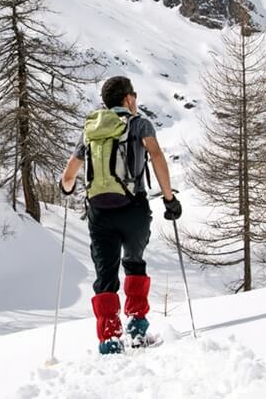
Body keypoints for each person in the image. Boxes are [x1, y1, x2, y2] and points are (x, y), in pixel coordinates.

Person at [59, 75, 181, 354]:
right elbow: (156, 155)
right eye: (134, 95)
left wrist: (66, 188)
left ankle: (109, 340)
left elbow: (68, 177)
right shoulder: (139, 124)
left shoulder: (90, 130)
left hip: (99, 212)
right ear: (128, 98)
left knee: (105, 276)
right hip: (134, 208)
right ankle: (137, 329)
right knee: (134, 263)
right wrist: (169, 198)